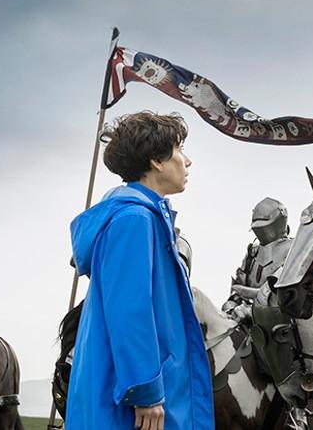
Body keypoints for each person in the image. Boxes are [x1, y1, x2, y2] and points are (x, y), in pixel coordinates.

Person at [67, 112, 213, 430]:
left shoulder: (141, 217)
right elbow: (129, 310)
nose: (187, 162)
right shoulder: (134, 219)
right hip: (128, 406)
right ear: (157, 161)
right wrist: (145, 392)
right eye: (179, 151)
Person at [221, 197, 293, 321]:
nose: (263, 232)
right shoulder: (252, 253)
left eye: (266, 226)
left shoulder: (294, 249)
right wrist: (231, 309)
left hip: (283, 322)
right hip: (245, 319)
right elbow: (237, 288)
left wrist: (250, 305)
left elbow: (279, 292)